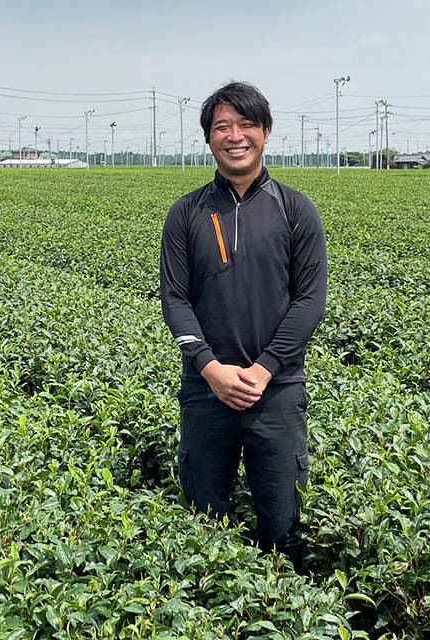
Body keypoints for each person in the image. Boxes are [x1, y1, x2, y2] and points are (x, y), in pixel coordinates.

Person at [159, 82, 327, 570]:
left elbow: (309, 301)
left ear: (266, 133)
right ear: (208, 139)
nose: (235, 136)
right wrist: (210, 368)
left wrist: (264, 369)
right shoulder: (186, 213)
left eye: (245, 125)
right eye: (221, 127)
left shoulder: (296, 210)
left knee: (283, 524)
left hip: (276, 392)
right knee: (200, 523)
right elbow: (175, 298)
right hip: (205, 392)